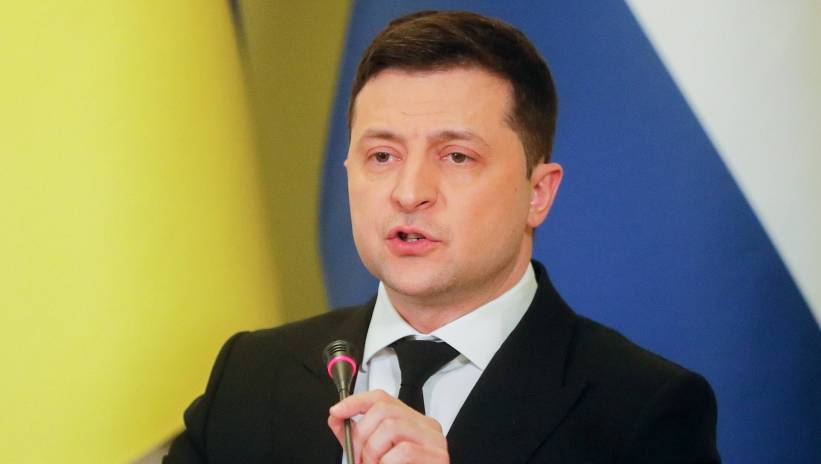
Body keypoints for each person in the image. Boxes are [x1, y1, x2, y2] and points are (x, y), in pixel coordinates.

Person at [164, 10, 720, 464]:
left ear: (538, 193)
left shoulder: (642, 410)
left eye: (456, 156)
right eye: (382, 156)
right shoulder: (252, 376)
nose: (410, 192)